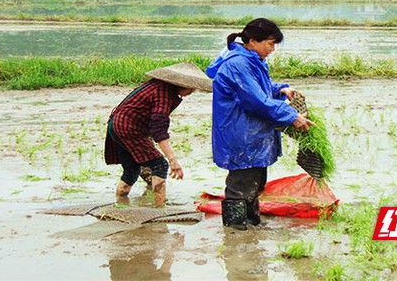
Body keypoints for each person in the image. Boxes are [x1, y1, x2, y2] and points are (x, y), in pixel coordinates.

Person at [206, 18, 315, 230]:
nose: (272, 49)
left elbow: (257, 89)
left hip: (252, 134)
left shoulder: (252, 60)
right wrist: (291, 115)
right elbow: (254, 101)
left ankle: (251, 225)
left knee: (254, 184)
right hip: (241, 134)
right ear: (253, 41)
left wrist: (280, 90)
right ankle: (235, 232)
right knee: (241, 185)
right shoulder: (237, 64)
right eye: (270, 43)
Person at [104, 62, 212, 207]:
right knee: (160, 165)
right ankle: (159, 208)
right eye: (191, 89)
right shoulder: (163, 95)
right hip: (127, 128)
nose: (191, 92)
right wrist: (173, 160)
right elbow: (159, 129)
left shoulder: (157, 86)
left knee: (131, 169)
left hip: (116, 125)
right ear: (182, 85)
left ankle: (120, 202)